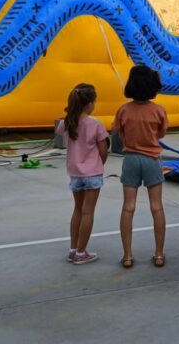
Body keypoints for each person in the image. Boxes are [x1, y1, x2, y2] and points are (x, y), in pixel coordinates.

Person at [114, 65, 169, 269]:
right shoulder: (158, 110)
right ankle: (159, 254)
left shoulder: (124, 110)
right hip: (152, 159)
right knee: (157, 206)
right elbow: (161, 134)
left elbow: (119, 135)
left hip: (130, 159)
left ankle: (127, 256)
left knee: (128, 207)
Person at [56, 83, 110, 265]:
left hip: (75, 174)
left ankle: (73, 249)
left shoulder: (66, 123)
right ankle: (81, 252)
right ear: (89, 104)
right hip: (92, 174)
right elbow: (104, 150)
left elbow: (60, 133)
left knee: (77, 210)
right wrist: (98, 164)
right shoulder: (95, 124)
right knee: (88, 212)